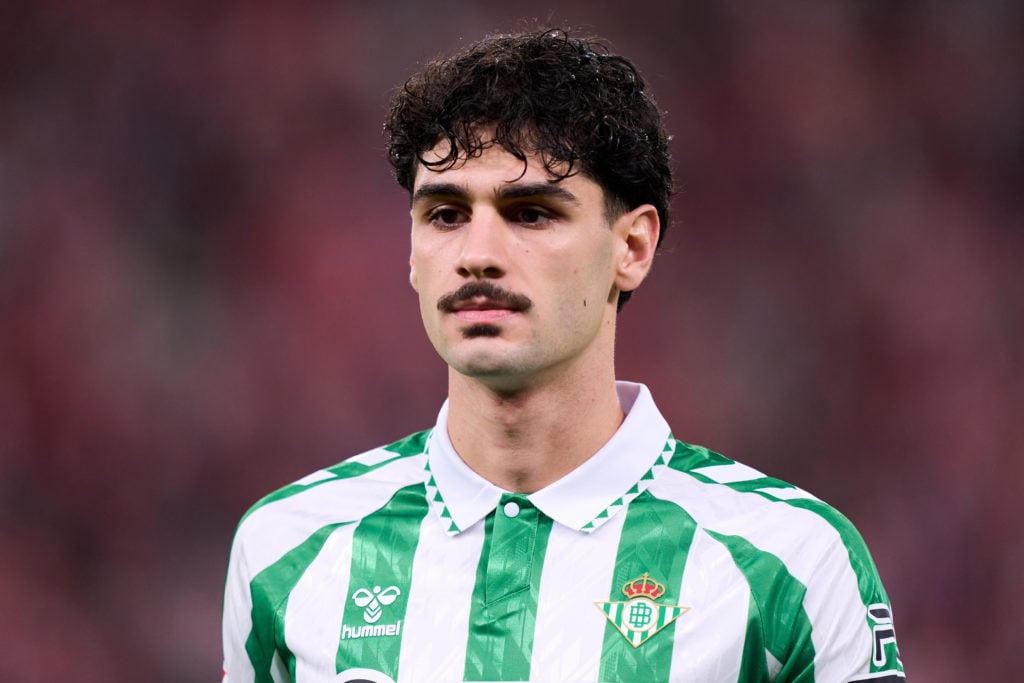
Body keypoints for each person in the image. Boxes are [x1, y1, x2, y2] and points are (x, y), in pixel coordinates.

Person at [221, 28, 906, 683]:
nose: (477, 254)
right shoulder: (286, 551)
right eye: (445, 214)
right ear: (411, 251)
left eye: (531, 212)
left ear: (632, 248)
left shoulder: (792, 563)